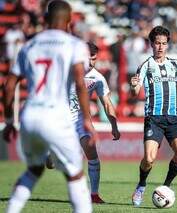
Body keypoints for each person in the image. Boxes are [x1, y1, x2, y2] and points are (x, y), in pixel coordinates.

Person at [3, 1, 96, 212]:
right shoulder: (74, 45)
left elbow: (8, 88)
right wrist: (87, 120)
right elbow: (80, 83)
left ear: (45, 19)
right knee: (75, 175)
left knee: (33, 170)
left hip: (29, 114)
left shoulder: (29, 45)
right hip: (56, 116)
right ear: (69, 20)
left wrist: (10, 121)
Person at [130, 26, 177, 207]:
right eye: (157, 43)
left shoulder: (176, 65)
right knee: (149, 159)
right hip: (154, 118)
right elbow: (135, 92)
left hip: (174, 118)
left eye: (164, 44)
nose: (160, 47)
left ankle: (165, 187)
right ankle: (141, 185)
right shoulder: (146, 65)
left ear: (167, 45)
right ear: (151, 44)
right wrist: (134, 85)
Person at [68, 42, 121, 203]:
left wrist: (114, 125)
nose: (92, 63)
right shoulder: (66, 71)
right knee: (51, 163)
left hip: (80, 121)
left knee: (92, 155)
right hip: (60, 120)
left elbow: (106, 102)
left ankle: (94, 195)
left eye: (94, 59)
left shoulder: (97, 78)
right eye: (89, 59)